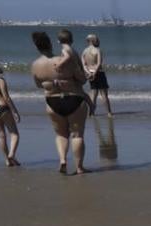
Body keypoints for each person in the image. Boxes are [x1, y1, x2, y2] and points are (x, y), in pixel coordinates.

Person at [31, 31, 91, 175]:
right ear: (51, 44)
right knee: (77, 135)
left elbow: (39, 85)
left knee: (61, 135)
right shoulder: (63, 59)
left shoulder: (35, 65)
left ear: (37, 47)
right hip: (74, 99)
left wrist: (51, 82)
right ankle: (79, 168)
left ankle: (63, 160)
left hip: (52, 102)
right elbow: (82, 79)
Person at [57, 29, 95, 116]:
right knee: (80, 91)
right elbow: (78, 62)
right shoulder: (73, 50)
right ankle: (91, 105)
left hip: (76, 74)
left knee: (72, 89)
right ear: (71, 40)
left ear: (58, 41)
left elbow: (67, 57)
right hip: (80, 73)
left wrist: (59, 65)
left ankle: (88, 105)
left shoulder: (65, 49)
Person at [82, 34, 112, 117]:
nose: (98, 41)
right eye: (96, 39)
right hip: (98, 73)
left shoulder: (84, 51)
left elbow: (84, 64)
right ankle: (109, 113)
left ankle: (91, 112)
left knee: (93, 94)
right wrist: (95, 73)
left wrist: (88, 73)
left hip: (90, 73)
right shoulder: (97, 50)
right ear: (91, 41)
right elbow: (99, 63)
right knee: (104, 94)